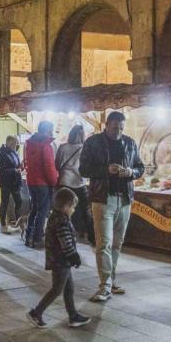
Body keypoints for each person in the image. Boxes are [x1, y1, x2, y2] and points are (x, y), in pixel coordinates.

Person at [79, 111, 145, 302]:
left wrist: (130, 172)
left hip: (124, 199)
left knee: (117, 243)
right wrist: (105, 171)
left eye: (121, 128)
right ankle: (105, 285)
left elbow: (140, 167)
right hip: (102, 198)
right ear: (106, 125)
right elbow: (83, 169)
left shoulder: (130, 143)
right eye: (115, 127)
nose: (118, 131)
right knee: (104, 243)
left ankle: (111, 279)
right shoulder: (93, 143)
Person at [27, 188, 91, 329]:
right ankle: (36, 313)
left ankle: (73, 316)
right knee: (57, 289)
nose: (73, 210)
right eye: (73, 207)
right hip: (60, 261)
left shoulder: (55, 217)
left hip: (60, 260)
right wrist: (74, 257)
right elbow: (65, 242)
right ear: (66, 206)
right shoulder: (61, 221)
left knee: (69, 288)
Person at [56, 125, 93, 246]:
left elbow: (57, 164)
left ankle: (66, 236)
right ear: (83, 135)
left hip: (64, 182)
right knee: (85, 211)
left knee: (63, 211)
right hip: (79, 182)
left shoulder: (62, 147)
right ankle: (92, 237)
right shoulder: (84, 148)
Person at [24, 121, 58, 249]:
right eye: (51, 129)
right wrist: (55, 182)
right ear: (47, 130)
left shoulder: (29, 144)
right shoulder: (45, 145)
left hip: (31, 181)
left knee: (34, 209)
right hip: (43, 183)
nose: (52, 132)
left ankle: (28, 236)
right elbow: (49, 167)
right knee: (43, 211)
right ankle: (38, 238)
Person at [0, 136, 23, 234]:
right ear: (7, 142)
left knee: (19, 201)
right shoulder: (2, 153)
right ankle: (3, 225)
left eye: (16, 144)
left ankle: (18, 223)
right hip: (6, 182)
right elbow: (1, 170)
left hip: (15, 182)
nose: (15, 146)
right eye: (13, 144)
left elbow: (15, 165)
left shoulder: (14, 152)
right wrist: (14, 170)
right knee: (4, 203)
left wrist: (20, 166)